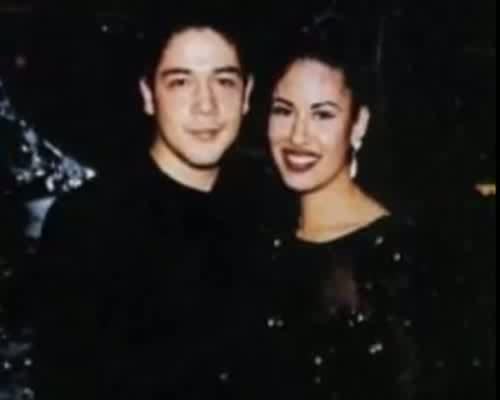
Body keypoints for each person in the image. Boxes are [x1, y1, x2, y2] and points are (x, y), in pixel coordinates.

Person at [34, 6, 259, 400]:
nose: (205, 104)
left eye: (224, 81)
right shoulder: (88, 223)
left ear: (247, 95)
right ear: (148, 95)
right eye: (180, 82)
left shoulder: (267, 207)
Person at [230, 25, 445, 400]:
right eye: (284, 111)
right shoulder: (262, 241)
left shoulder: (396, 259)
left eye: (323, 115)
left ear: (358, 125)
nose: (298, 136)